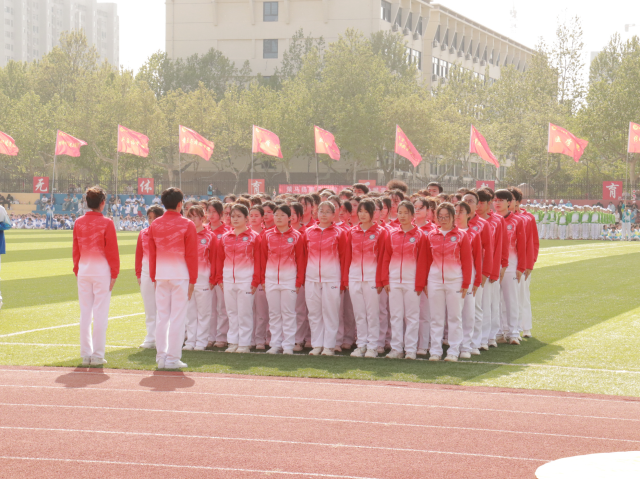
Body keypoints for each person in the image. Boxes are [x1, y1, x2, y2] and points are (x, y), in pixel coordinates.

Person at [148, 187, 198, 369]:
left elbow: (152, 254)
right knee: (177, 318)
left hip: (161, 275)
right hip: (180, 275)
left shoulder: (155, 224)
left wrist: (154, 277)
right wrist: (193, 280)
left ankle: (161, 357)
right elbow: (192, 255)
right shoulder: (187, 224)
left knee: (162, 317)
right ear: (180, 204)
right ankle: (172, 358)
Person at [72, 186, 120, 366]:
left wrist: (77, 270)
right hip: (101, 272)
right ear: (103, 203)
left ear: (86, 202)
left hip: (84, 270)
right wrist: (114, 273)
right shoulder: (107, 223)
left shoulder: (79, 222)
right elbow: (112, 251)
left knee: (85, 313)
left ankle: (86, 355)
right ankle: (98, 355)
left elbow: (76, 250)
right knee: (100, 313)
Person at [381, 200, 429, 360]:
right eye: (400, 213)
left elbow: (423, 261)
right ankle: (396, 349)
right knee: (395, 316)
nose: (402, 216)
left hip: (412, 282)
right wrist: (385, 280)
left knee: (412, 317)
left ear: (412, 215)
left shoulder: (420, 235)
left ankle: (410, 350)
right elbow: (386, 257)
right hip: (394, 281)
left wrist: (420, 283)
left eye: (406, 213)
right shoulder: (391, 234)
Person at [426, 202, 472, 362]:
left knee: (454, 317)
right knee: (436, 318)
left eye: (447, 216)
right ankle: (435, 351)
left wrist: (466, 283)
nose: (443, 219)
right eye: (440, 217)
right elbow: (426, 260)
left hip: (455, 281)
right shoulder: (431, 235)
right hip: (434, 281)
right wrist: (423, 282)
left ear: (453, 217)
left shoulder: (461, 235)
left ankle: (453, 351)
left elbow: (467, 261)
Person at [343, 199, 388, 358]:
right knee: (359, 313)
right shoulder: (352, 232)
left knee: (372, 314)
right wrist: (346, 279)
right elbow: (347, 256)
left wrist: (380, 280)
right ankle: (361, 344)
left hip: (372, 279)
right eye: (360, 211)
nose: (362, 215)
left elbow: (382, 258)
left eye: (365, 212)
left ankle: (373, 346)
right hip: (354, 277)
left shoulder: (381, 232)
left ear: (373, 214)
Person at [260, 204, 306, 355]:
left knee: (288, 313)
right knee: (274, 313)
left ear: (290, 218)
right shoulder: (267, 235)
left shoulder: (297, 236)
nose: (278, 218)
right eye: (276, 215)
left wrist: (298, 281)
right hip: (271, 279)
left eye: (282, 215)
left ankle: (288, 345)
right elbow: (263, 259)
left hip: (289, 280)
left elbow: (301, 260)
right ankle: (275, 344)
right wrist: (263, 280)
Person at [303, 201, 347, 356]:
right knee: (314, 313)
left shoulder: (339, 232)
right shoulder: (308, 232)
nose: (324, 214)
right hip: (312, 278)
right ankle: (317, 345)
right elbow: (304, 256)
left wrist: (343, 281)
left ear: (334, 214)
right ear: (317, 213)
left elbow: (344, 257)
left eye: (328, 211)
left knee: (331, 313)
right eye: (321, 211)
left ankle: (329, 346)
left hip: (332, 279)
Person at [216, 204, 261, 353]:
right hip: (228, 280)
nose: (235, 219)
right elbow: (220, 259)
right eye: (232, 216)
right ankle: (233, 342)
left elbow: (259, 260)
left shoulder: (254, 237)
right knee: (231, 312)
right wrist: (220, 279)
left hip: (246, 280)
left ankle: (244, 343)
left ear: (246, 219)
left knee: (244, 313)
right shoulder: (225, 237)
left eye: (239, 216)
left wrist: (255, 280)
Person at [493, 189, 526, 345]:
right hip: (494, 265)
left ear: (509, 202)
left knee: (511, 299)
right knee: (495, 300)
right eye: (495, 200)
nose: (497, 203)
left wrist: (521, 267)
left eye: (501, 200)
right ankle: (499, 332)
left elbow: (522, 246)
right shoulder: (490, 220)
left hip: (511, 265)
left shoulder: (517, 221)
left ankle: (513, 332)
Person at [183, 205, 217, 351]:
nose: (192, 219)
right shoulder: (184, 235)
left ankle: (201, 341)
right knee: (190, 313)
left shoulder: (210, 236)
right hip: (187, 280)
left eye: (195, 216)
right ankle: (190, 341)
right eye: (189, 217)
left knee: (204, 313)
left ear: (202, 218)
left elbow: (214, 259)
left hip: (204, 280)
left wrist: (213, 278)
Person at [455, 201, 482, 359]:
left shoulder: (473, 234)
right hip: (451, 277)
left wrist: (477, 280)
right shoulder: (448, 233)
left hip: (469, 277)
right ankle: (454, 344)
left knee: (469, 311)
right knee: (454, 313)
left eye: (461, 212)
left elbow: (477, 259)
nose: (457, 215)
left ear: (468, 215)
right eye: (455, 211)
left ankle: (469, 344)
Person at [135, 206, 164, 349]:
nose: (152, 221)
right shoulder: (143, 233)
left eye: (155, 218)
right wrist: (139, 274)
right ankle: (150, 337)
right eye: (149, 218)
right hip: (146, 273)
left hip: (162, 273)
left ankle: (162, 337)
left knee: (163, 307)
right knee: (149, 307)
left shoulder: (166, 234)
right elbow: (139, 255)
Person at [205, 200, 231, 349]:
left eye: (214, 212)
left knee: (222, 308)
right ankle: (210, 336)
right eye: (209, 211)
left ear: (221, 214)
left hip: (222, 274)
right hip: (206, 274)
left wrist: (219, 276)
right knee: (209, 308)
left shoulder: (228, 231)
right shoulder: (204, 230)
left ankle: (222, 336)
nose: (211, 215)